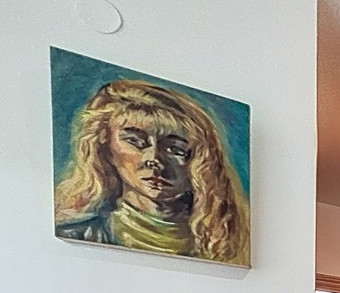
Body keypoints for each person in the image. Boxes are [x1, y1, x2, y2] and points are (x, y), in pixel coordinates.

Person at [55, 79, 250, 265]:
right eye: (135, 141)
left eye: (175, 149)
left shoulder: (228, 248)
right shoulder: (77, 235)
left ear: (200, 162)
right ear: (106, 149)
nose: (154, 159)